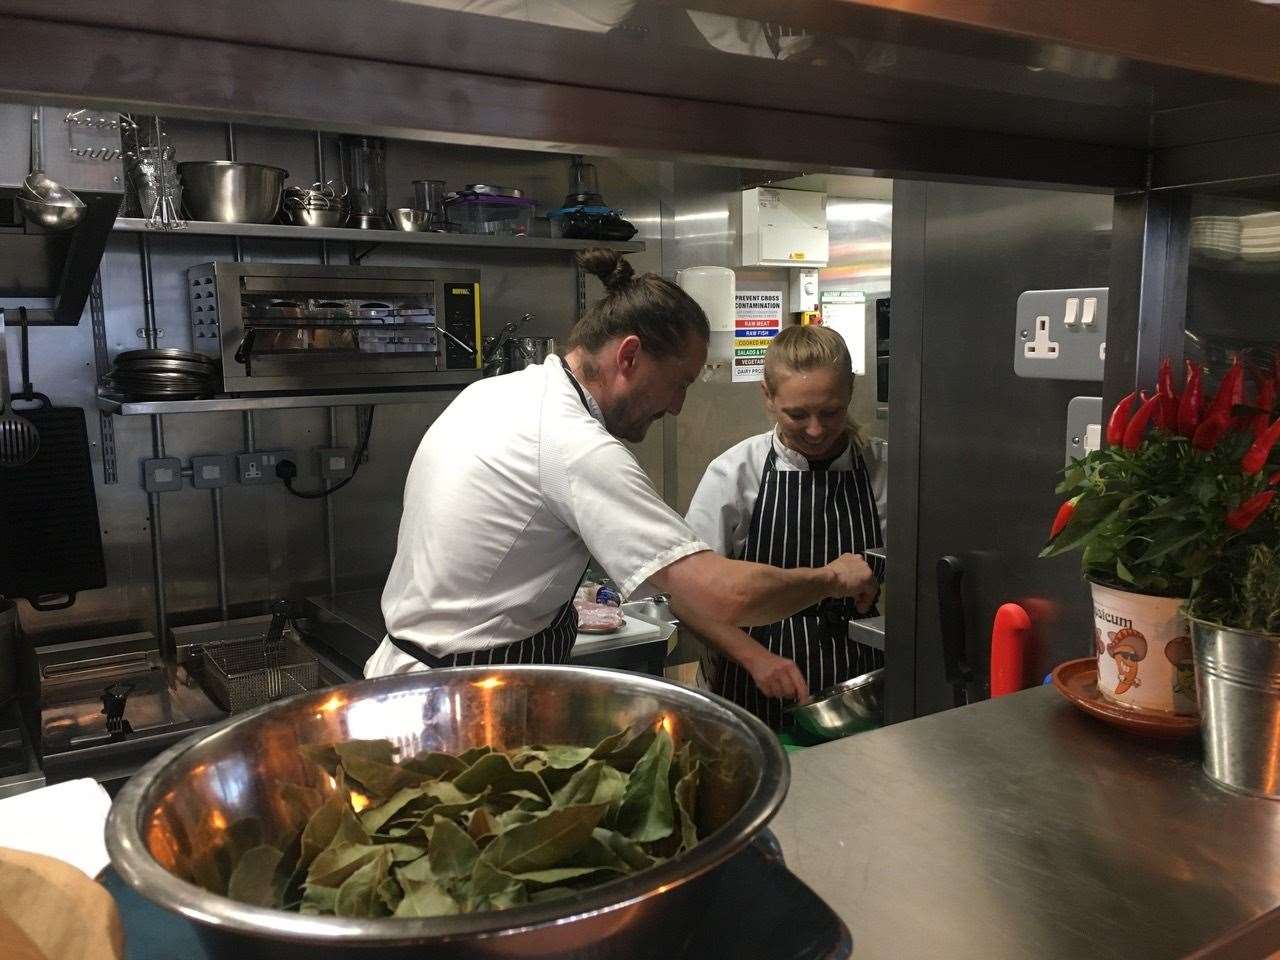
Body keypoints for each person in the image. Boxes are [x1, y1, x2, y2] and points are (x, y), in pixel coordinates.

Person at [366, 250, 879, 676]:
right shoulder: (574, 445)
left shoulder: (498, 393)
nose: (677, 406)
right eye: (680, 382)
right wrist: (833, 578)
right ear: (629, 357)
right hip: (467, 698)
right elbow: (725, 596)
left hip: (419, 677)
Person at [684, 324, 886, 728]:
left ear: (850, 392)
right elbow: (688, 597)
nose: (815, 430)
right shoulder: (736, 473)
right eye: (797, 414)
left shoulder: (885, 469)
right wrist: (755, 658)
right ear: (768, 397)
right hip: (750, 679)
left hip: (859, 678)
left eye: (830, 412)